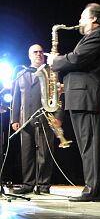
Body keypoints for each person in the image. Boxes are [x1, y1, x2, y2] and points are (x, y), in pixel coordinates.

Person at [46, 3, 100, 202]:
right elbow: (85, 68)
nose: (79, 22)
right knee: (88, 146)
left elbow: (77, 59)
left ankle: (92, 190)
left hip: (88, 100)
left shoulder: (97, 35)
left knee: (91, 146)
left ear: (93, 19)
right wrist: (66, 86)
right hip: (82, 98)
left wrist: (55, 61)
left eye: (83, 17)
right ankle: (96, 191)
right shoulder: (92, 37)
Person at [11, 44, 63, 194]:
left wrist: (58, 116)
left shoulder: (51, 72)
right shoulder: (20, 74)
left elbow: (58, 96)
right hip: (25, 119)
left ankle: (43, 185)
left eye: (41, 52)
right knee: (26, 153)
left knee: (45, 154)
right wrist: (14, 119)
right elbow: (16, 99)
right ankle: (28, 184)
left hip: (46, 118)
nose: (39, 54)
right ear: (29, 55)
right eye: (35, 52)